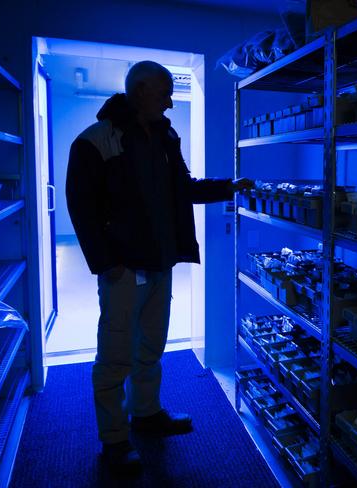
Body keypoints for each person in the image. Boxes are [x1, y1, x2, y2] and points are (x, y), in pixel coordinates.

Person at [66, 60, 252, 475]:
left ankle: (145, 414)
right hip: (123, 268)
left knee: (150, 348)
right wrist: (105, 263)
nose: (170, 102)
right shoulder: (97, 140)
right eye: (165, 93)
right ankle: (114, 440)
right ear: (140, 90)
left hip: (160, 263)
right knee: (115, 356)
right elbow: (81, 207)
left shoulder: (166, 137)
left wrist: (228, 187)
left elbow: (182, 189)